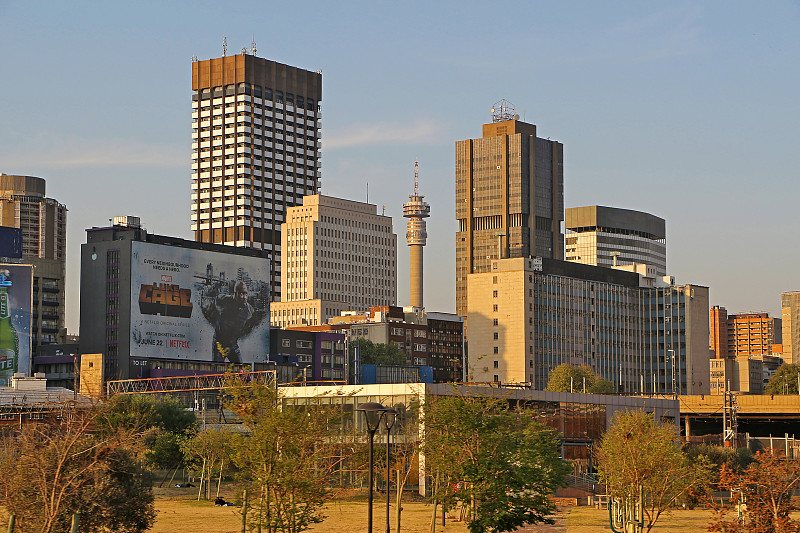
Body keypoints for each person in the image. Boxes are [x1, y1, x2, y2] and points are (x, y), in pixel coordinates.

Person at [206, 281, 254, 363]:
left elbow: (249, 325)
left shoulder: (248, 311)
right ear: (235, 294)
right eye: (241, 294)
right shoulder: (223, 300)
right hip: (219, 342)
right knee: (217, 370)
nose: (244, 297)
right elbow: (212, 306)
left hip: (233, 344)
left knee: (240, 370)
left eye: (246, 294)